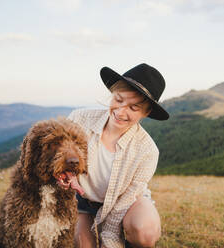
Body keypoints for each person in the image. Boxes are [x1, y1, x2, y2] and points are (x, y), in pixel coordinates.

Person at [68, 63, 169, 248]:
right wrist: (67, 177)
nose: (121, 111)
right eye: (119, 100)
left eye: (134, 108)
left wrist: (110, 239)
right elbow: (57, 156)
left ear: (146, 112)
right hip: (81, 200)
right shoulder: (78, 119)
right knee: (83, 244)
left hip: (125, 202)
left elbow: (129, 195)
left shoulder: (147, 150)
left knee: (145, 231)